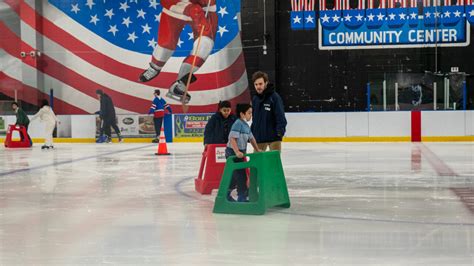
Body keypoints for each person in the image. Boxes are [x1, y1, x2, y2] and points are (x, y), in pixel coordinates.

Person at [138, 0, 218, 103]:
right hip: (176, 7)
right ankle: (155, 67)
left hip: (205, 10)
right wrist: (188, 8)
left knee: (205, 45)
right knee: (166, 43)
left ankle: (180, 83)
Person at [226, 103, 261, 202]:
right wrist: (236, 151)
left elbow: (252, 138)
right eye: (249, 113)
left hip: (240, 152)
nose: (251, 115)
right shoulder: (238, 123)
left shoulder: (246, 126)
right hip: (232, 152)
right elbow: (232, 139)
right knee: (241, 175)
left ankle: (226, 194)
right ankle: (242, 197)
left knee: (234, 175)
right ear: (242, 114)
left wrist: (257, 149)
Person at [250, 71, 287, 151]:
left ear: (266, 83)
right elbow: (255, 118)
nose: (258, 87)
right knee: (257, 161)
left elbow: (280, 116)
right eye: (256, 84)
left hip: (274, 138)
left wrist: (280, 132)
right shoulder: (255, 99)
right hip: (259, 137)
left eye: (260, 84)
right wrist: (252, 132)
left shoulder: (274, 98)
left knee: (273, 162)